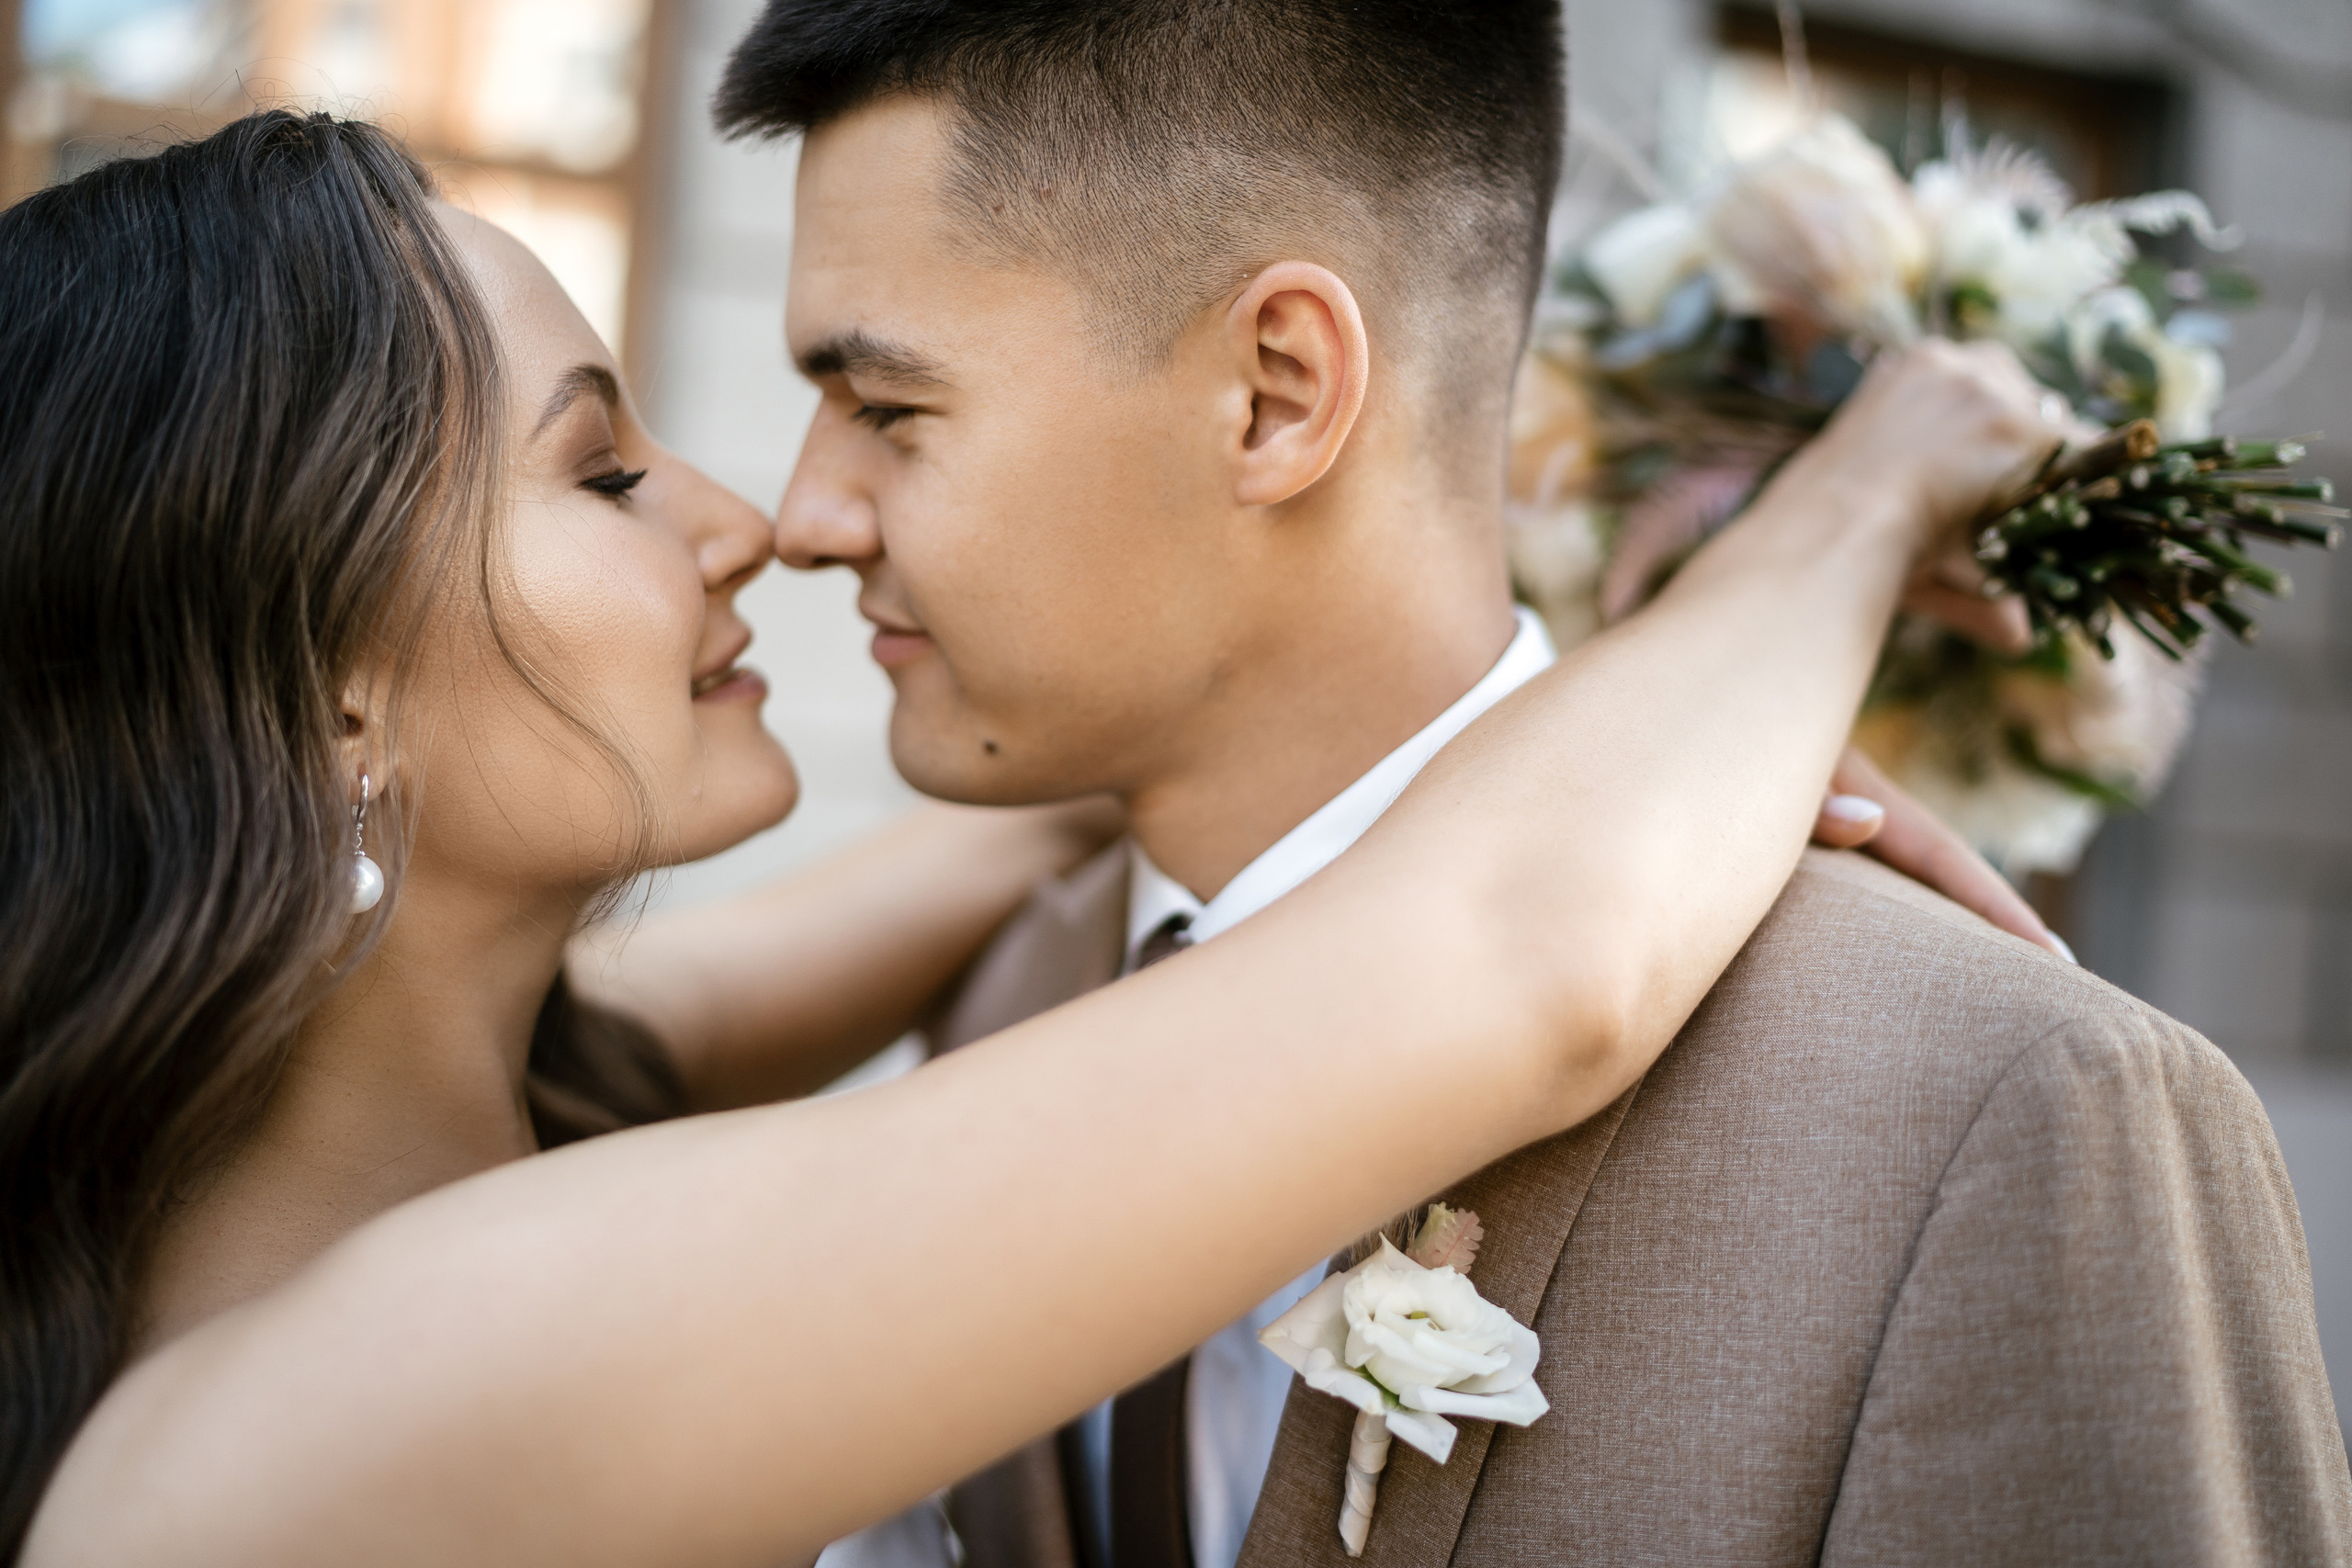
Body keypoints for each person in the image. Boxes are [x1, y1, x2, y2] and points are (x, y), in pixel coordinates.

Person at [0, 110, 2093, 1565]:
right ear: (326, 690)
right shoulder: (324, 1416)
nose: (747, 520)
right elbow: (1521, 953)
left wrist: (1464, 668)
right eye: (602, 473)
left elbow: (1109, 809)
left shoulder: (518, 1087)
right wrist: (1857, 498)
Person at [706, 2, 2352, 1563]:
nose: (803, 517)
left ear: (1277, 392)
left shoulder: (2007, 1107)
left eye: (886, 406)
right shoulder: (1013, 986)